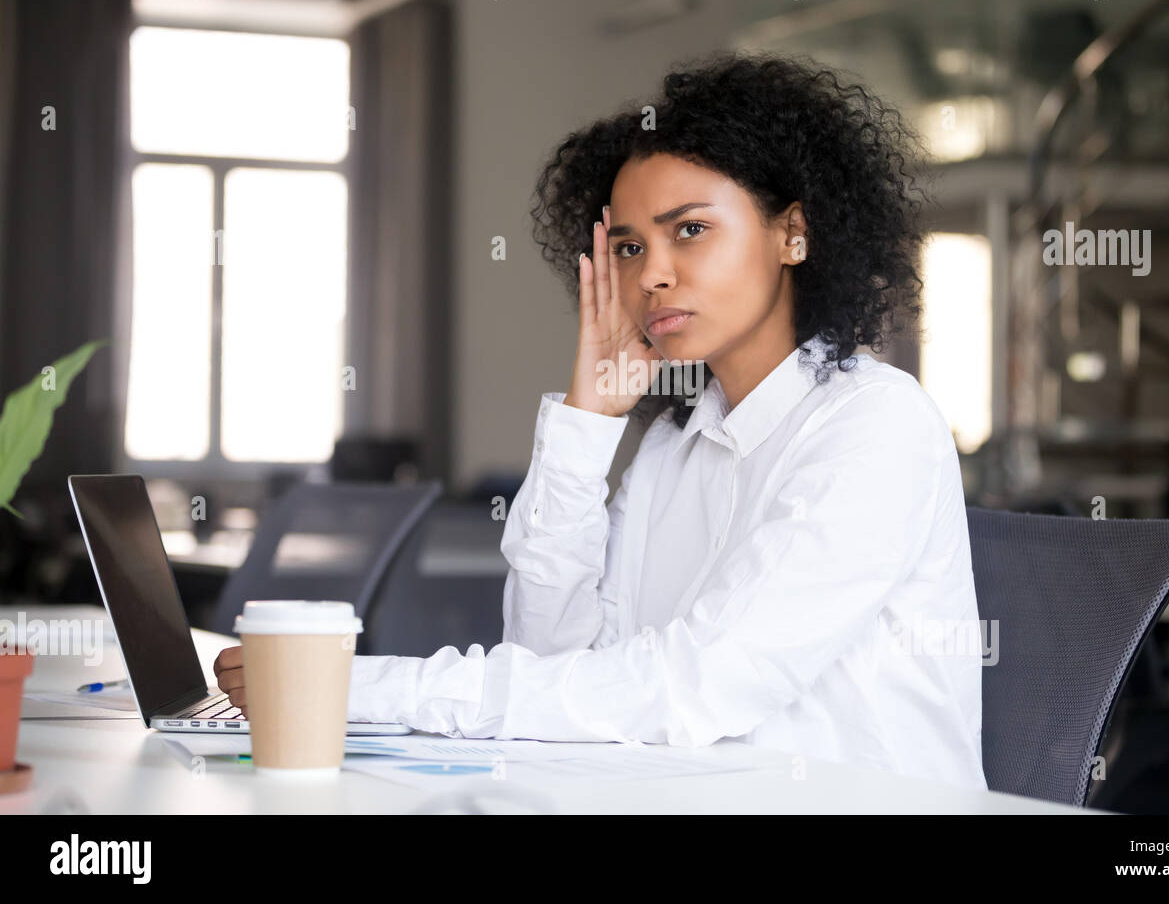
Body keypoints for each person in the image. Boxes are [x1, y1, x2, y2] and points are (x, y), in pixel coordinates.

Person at [215, 51, 987, 791]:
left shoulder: (876, 425)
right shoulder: (673, 446)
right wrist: (587, 422)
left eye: (690, 229)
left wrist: (358, 686)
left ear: (794, 232)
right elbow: (552, 657)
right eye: (627, 244)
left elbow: (691, 688)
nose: (650, 274)